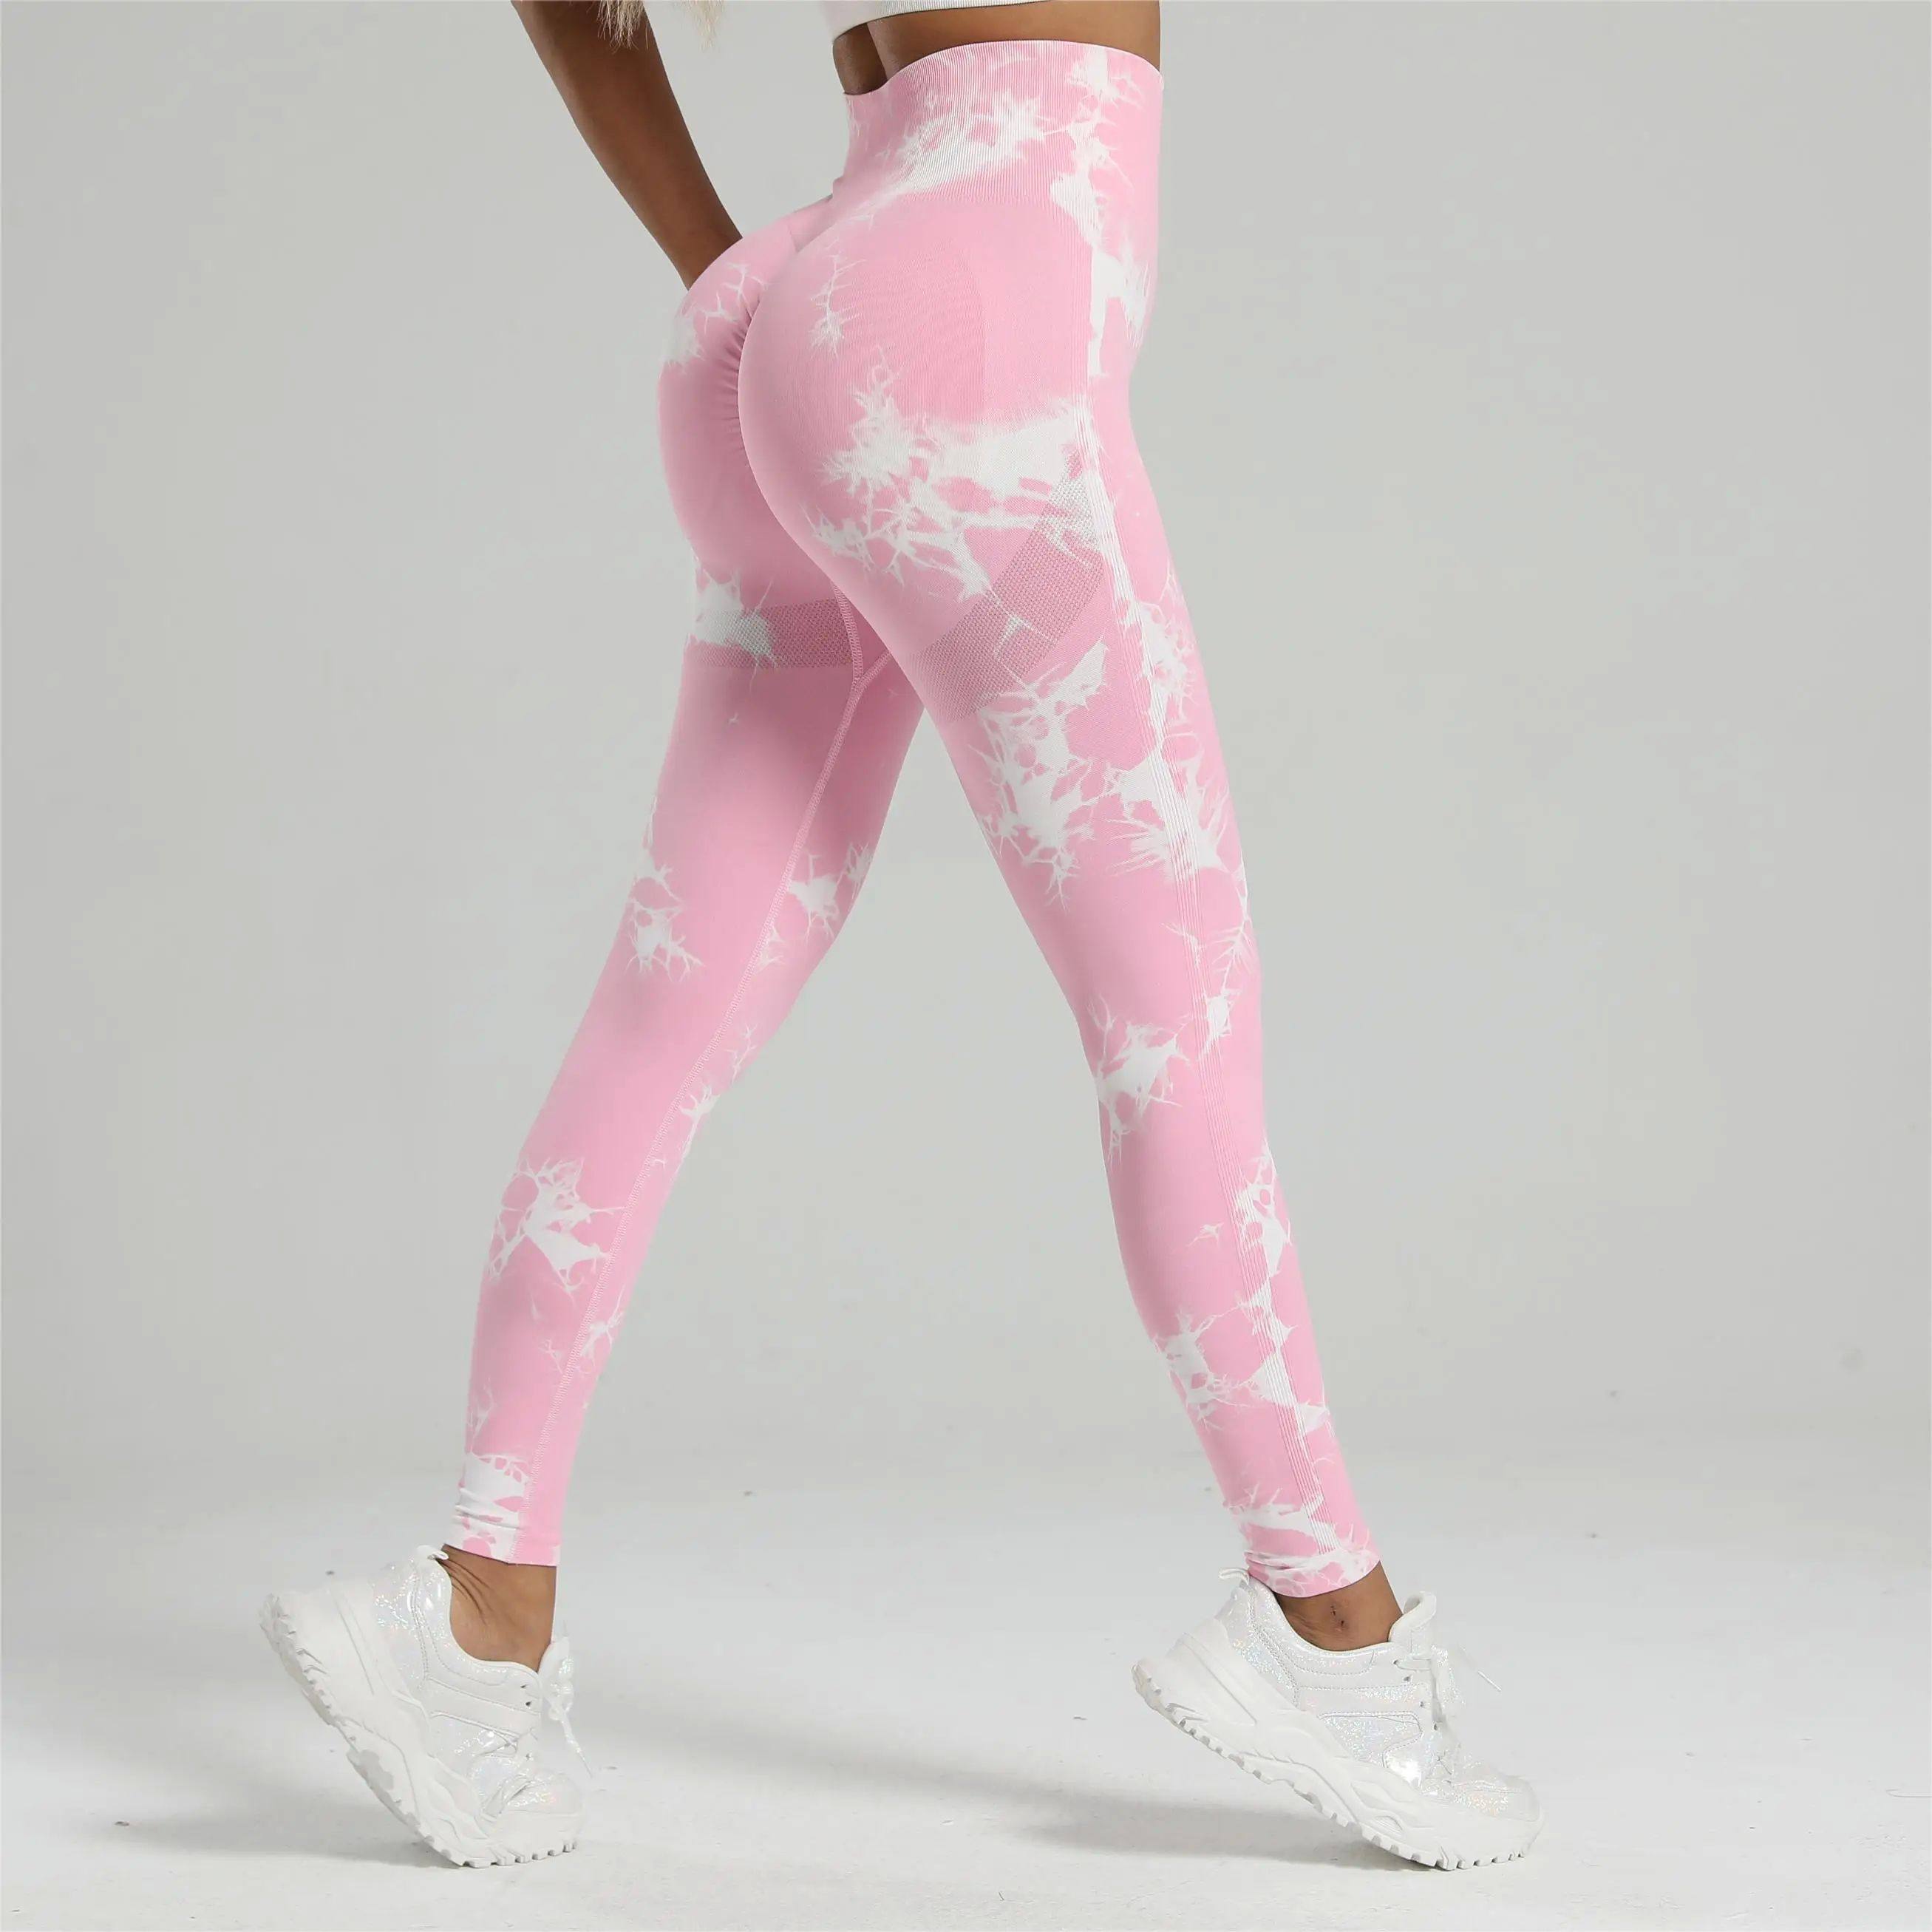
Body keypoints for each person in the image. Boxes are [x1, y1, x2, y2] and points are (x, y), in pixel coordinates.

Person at [259, 0, 1540, 1872]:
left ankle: (474, 1614)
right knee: (1171, 1014)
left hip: (802, 305)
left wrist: (753, 295)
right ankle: (1327, 1625)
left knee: (665, 1010)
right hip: (974, 303)